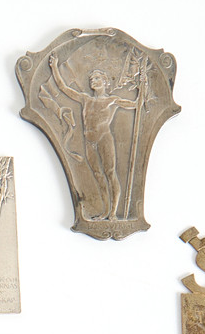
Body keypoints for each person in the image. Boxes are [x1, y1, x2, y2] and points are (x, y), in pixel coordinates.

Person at [48, 55, 138, 221]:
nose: (93, 81)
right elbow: (63, 87)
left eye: (97, 78)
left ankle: (113, 213)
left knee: (110, 173)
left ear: (105, 81)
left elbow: (134, 105)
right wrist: (54, 67)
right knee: (98, 174)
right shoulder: (85, 99)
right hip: (89, 141)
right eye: (91, 79)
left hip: (104, 139)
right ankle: (105, 211)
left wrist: (143, 93)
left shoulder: (112, 100)